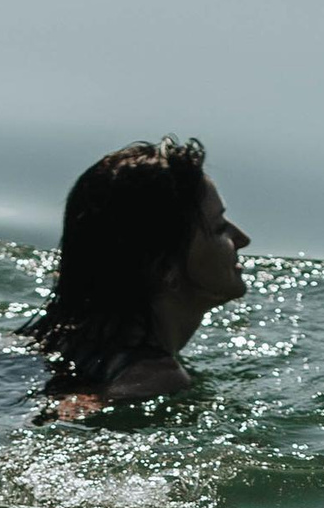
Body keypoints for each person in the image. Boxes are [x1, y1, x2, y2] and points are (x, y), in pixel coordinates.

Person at [21, 138, 251, 414]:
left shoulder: (44, 339)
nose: (241, 239)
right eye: (219, 228)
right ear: (166, 270)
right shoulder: (155, 378)